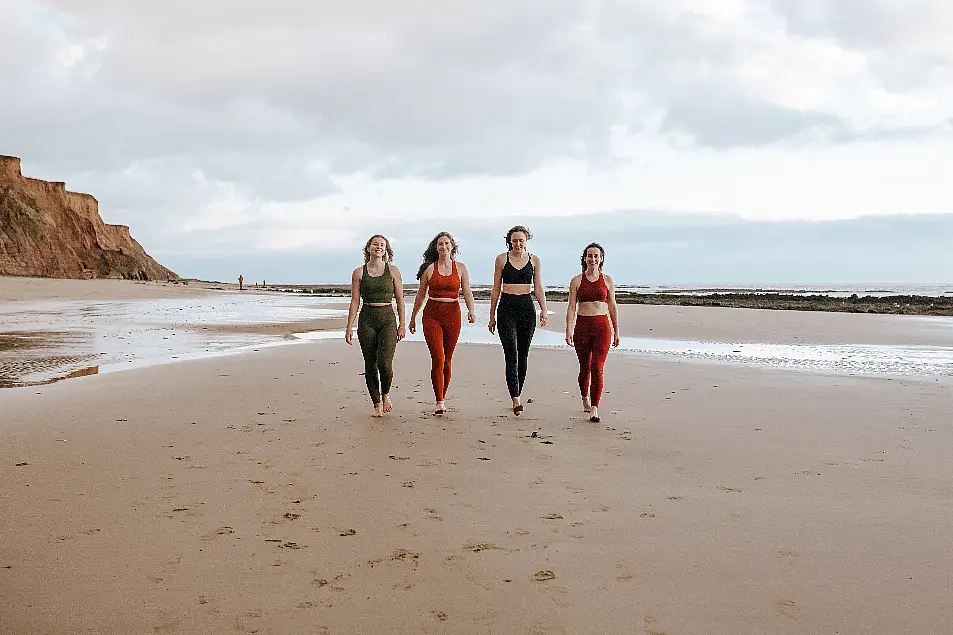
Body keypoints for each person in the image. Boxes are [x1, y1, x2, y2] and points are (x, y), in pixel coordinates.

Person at [409, 232, 477, 415]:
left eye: (447, 243)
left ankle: (442, 396)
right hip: (432, 315)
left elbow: (467, 291)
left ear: (452, 247)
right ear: (436, 247)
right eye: (440, 244)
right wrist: (413, 317)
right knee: (438, 358)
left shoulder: (460, 268)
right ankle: (439, 401)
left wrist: (471, 311)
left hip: (453, 315)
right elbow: (421, 295)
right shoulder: (429, 269)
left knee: (447, 359)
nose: (443, 247)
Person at [488, 225, 547, 415]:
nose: (518, 244)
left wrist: (544, 310)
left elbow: (538, 288)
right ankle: (515, 399)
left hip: (526, 308)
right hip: (506, 308)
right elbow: (496, 288)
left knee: (523, 354)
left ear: (526, 240)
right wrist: (491, 316)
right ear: (509, 241)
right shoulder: (501, 259)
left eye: (521, 240)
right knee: (511, 354)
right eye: (514, 241)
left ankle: (518, 391)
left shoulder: (535, 260)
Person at [345, 234, 407, 417]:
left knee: (385, 363)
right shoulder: (358, 273)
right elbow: (355, 301)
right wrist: (349, 327)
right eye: (375, 244)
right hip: (367, 319)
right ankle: (376, 403)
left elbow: (400, 300)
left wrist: (402, 324)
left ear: (386, 250)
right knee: (370, 363)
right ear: (368, 248)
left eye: (382, 245)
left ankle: (386, 394)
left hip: (387, 318)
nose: (378, 247)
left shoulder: (393, 271)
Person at [565, 242, 620, 423]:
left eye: (596, 256)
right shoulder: (576, 281)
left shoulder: (608, 280)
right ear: (585, 258)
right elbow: (572, 306)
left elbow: (612, 305)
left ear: (601, 259)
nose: (593, 259)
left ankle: (595, 407)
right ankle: (584, 398)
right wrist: (568, 329)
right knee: (585, 368)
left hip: (602, 327)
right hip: (582, 327)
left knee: (597, 367)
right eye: (590, 255)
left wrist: (617, 330)